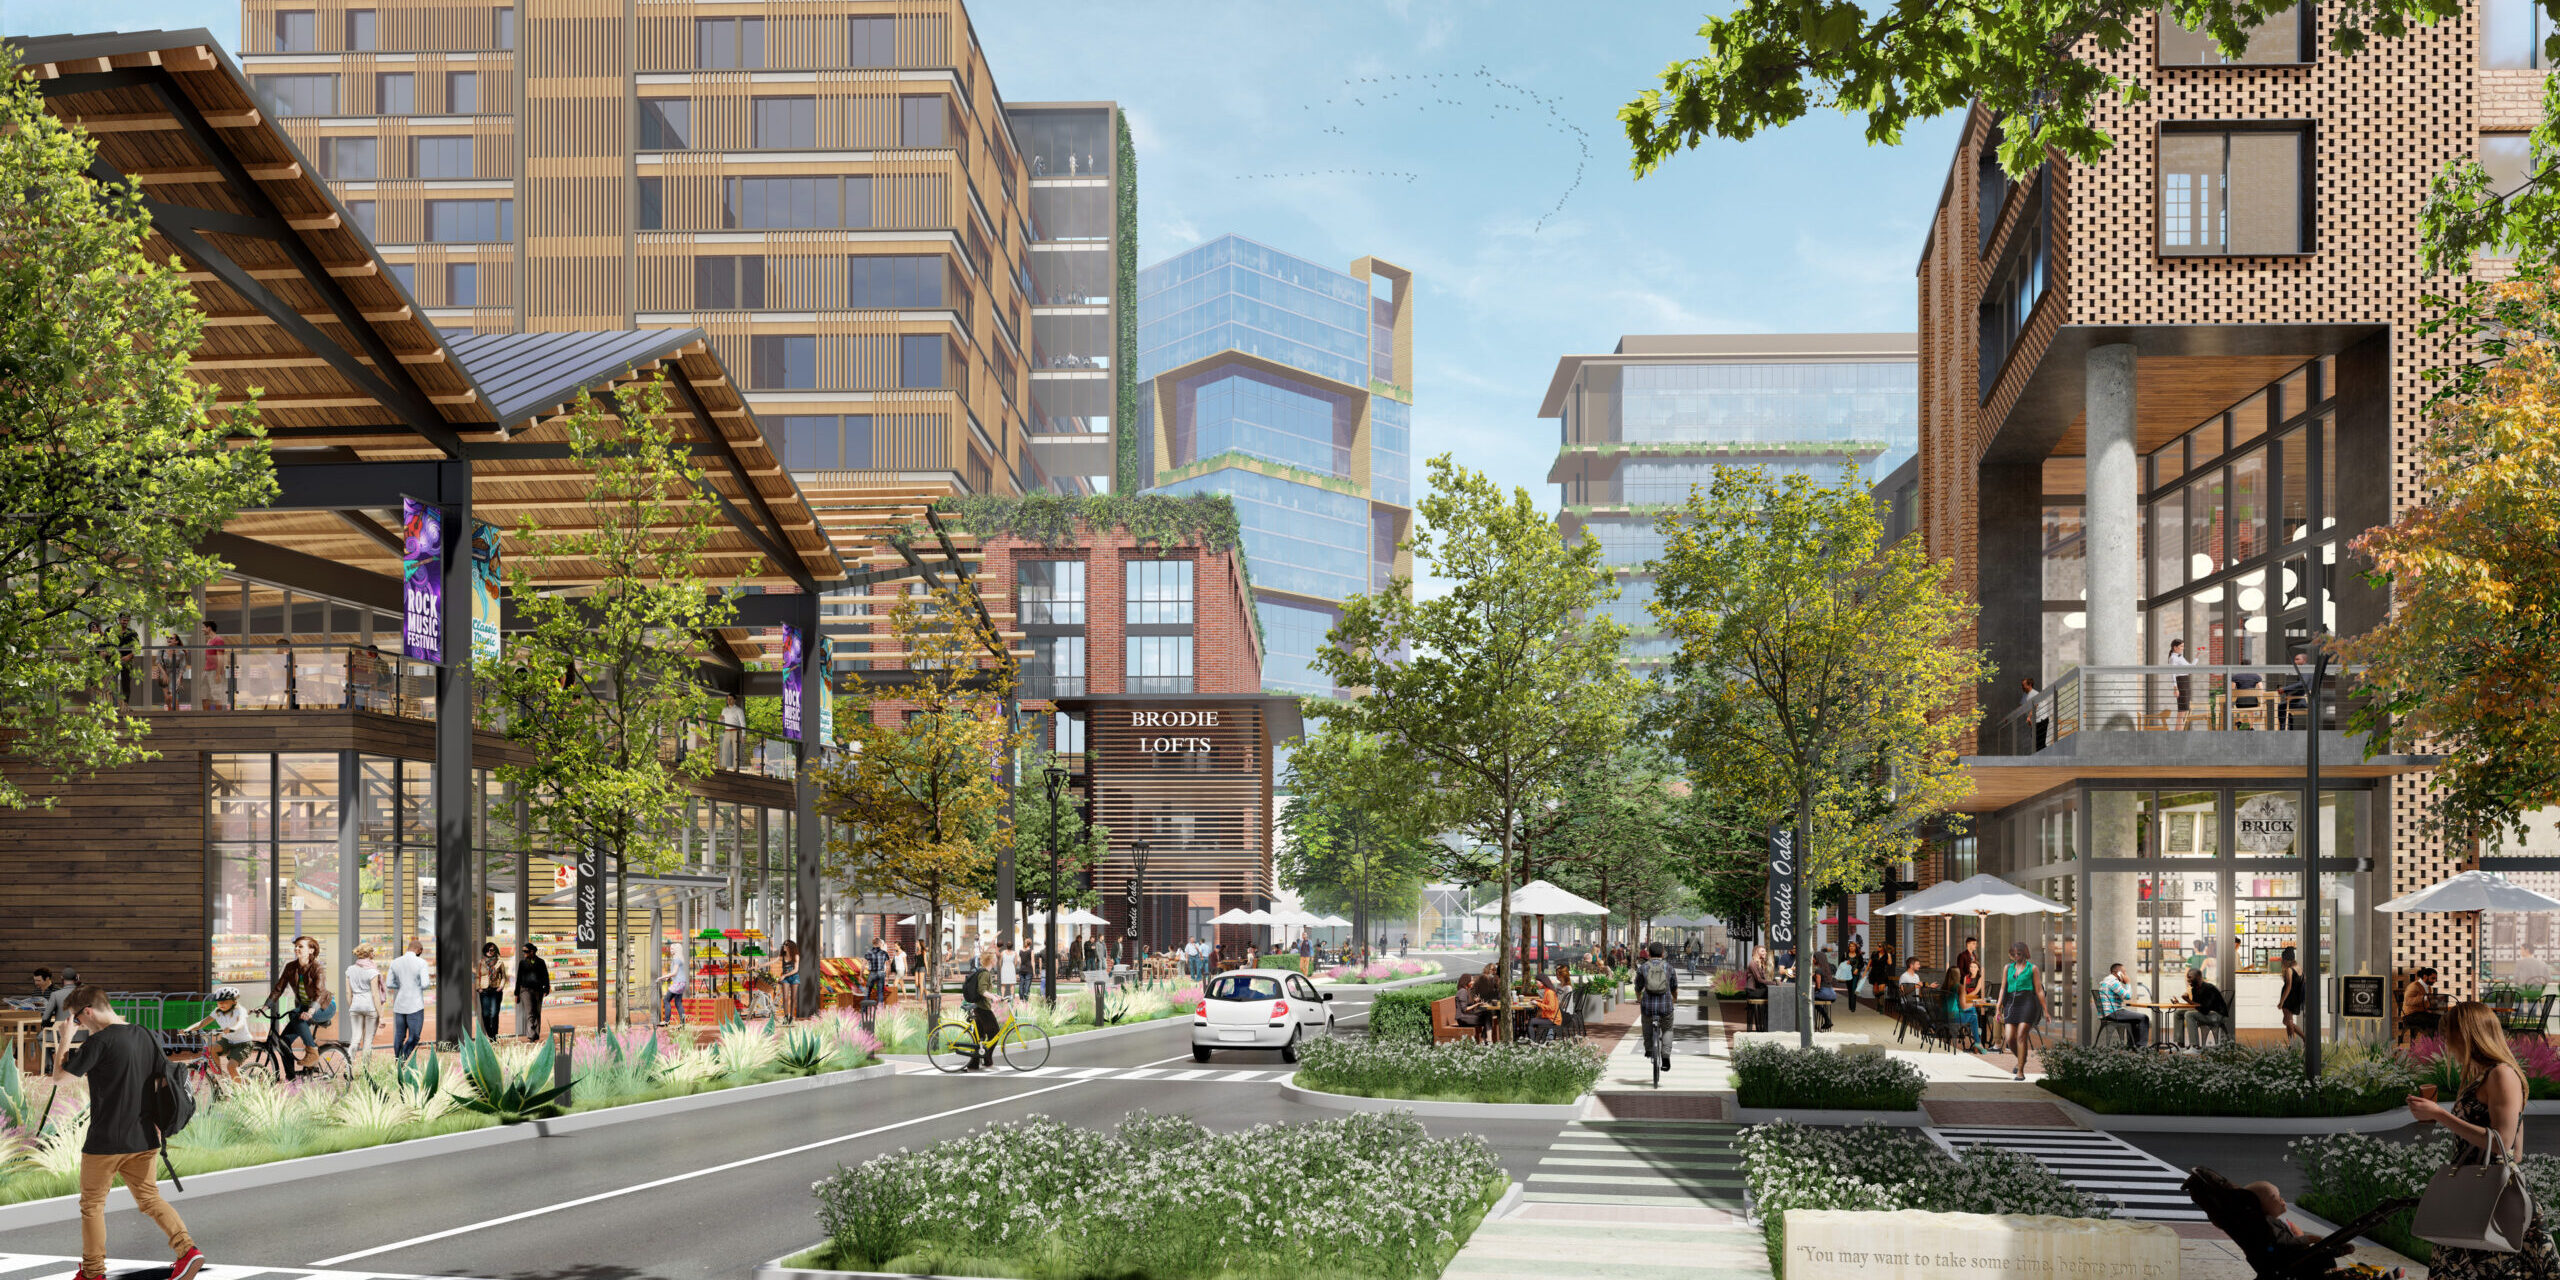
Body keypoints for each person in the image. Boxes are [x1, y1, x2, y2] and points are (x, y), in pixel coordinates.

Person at [55, 984, 206, 1280]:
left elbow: (60, 1078)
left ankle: (93, 1273)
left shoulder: (98, 1043)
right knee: (150, 1198)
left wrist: (66, 1039)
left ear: (87, 1012)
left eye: (78, 1019)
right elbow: (162, 1082)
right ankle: (187, 1250)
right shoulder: (145, 1034)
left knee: (92, 1206)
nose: (79, 1025)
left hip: (105, 1142)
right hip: (145, 1136)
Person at [2405, 1001, 2560, 1280]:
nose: (2446, 1042)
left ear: (2467, 1034)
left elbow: (2504, 1141)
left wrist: (2440, 1115)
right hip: (2475, 1194)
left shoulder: (2501, 1074)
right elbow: (2517, 1152)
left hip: (2491, 1198)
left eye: (2449, 1034)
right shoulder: (2484, 1075)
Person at [259, 935, 332, 1079]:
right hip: (303, 1008)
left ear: (311, 950)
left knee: (294, 1015)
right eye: (296, 946)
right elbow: (278, 989)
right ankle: (291, 1078)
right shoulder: (290, 967)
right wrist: (265, 1006)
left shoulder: (318, 968)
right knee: (283, 1041)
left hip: (323, 1007)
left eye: (301, 946)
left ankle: (312, 1052)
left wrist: (311, 1011)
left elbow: (320, 993)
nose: (296, 948)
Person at [179, 988, 254, 1084]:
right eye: (219, 1002)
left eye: (225, 1001)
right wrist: (187, 1030)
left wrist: (232, 1028)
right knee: (211, 1048)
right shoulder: (217, 1011)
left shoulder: (239, 1010)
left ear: (234, 1002)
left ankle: (241, 1092)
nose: (221, 1004)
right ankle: (219, 1076)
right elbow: (202, 1023)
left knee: (231, 1067)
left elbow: (240, 1022)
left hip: (243, 1043)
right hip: (227, 1040)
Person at [1997, 941, 2045, 1080]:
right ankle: (2021, 1059)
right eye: (2014, 954)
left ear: (2025, 953)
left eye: (2019, 953)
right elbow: (2002, 988)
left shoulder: (2033, 968)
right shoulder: (2008, 968)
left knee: (2021, 1035)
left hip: (2027, 1003)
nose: (2017, 956)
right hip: (2011, 1003)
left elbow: (2039, 990)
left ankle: (2021, 1071)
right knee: (2010, 1038)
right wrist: (1998, 1007)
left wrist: (2046, 1010)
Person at [384, 938, 430, 1062]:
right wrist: (416, 985)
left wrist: (401, 986)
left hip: (399, 1004)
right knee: (414, 1037)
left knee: (399, 1035)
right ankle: (402, 1060)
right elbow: (425, 984)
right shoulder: (421, 963)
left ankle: (397, 1060)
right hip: (415, 1005)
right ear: (419, 950)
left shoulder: (395, 962)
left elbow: (389, 983)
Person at [1636, 942, 1679, 1071]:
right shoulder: (1669, 967)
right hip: (1665, 1006)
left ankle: (1649, 1050)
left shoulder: (1643, 968)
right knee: (1667, 1029)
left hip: (1648, 1006)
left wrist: (1639, 998)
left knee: (1646, 1026)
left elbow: (1638, 987)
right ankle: (1665, 1057)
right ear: (1662, 953)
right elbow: (1674, 987)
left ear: (1649, 953)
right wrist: (1674, 999)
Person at [343, 944, 386, 1059]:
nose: (374, 954)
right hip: (370, 1006)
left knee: (355, 1039)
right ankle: (366, 1072)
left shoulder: (350, 970)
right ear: (369, 954)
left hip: (355, 1005)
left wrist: (352, 1007)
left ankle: (348, 1066)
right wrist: (381, 1015)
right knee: (368, 1041)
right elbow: (375, 994)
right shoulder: (372, 971)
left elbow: (348, 993)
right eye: (373, 952)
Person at [960, 954, 1000, 1071]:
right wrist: (992, 998)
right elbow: (982, 990)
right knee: (995, 1033)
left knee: (980, 1037)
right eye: (996, 959)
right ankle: (987, 1060)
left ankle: (974, 1063)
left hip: (979, 1007)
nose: (997, 960)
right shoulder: (985, 973)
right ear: (992, 960)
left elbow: (985, 991)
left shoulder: (984, 972)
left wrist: (995, 995)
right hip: (983, 1009)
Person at [2097, 962, 2150, 1049]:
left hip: (2108, 1013)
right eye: (2124, 972)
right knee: (2144, 1017)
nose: (2125, 975)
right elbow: (2127, 996)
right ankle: (2142, 1047)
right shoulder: (2113, 982)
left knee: (2134, 1019)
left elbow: (2121, 997)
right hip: (2113, 1012)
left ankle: (2132, 1045)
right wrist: (2128, 983)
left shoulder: (2106, 981)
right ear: (2117, 973)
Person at [1940, 964, 1983, 1049]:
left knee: (1972, 1010)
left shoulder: (1944, 987)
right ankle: (1977, 1040)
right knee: (1973, 1015)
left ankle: (1976, 1032)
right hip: (1954, 1018)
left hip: (1943, 1017)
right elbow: (1963, 1006)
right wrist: (1976, 1003)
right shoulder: (1959, 987)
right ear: (1957, 975)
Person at [515, 941, 551, 1034]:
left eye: (526, 951)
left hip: (538, 990)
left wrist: (546, 988)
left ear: (532, 952)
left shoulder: (541, 962)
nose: (524, 953)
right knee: (530, 1012)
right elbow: (519, 978)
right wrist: (516, 993)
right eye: (523, 951)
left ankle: (536, 1034)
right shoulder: (522, 963)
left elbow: (545, 976)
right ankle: (531, 1034)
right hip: (525, 990)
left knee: (537, 1012)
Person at [474, 941, 507, 1039]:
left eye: (491, 950)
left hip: (496, 990)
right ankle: (491, 1035)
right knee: (486, 1014)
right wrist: (478, 988)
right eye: (487, 950)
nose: (489, 951)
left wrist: (501, 986)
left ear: (495, 951)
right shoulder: (481, 962)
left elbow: (504, 977)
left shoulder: (500, 962)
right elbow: (477, 976)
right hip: (484, 991)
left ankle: (494, 1036)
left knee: (494, 1014)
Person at [2403, 967, 2442, 1040]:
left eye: (2435, 979)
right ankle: (2432, 1042)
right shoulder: (2414, 986)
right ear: (2425, 976)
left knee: (2440, 1018)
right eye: (2433, 978)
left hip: (2421, 1013)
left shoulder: (2428, 987)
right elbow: (2408, 1001)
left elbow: (2426, 1002)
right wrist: (2424, 998)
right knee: (2436, 1020)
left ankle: (2434, 1042)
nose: (2435, 981)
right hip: (2410, 1015)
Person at [2278, 945, 2306, 1044]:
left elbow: (2288, 987)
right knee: (2287, 1021)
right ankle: (2303, 1039)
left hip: (2288, 998)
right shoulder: (2299, 968)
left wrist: (2281, 1001)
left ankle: (2293, 1044)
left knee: (2288, 1021)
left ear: (2286, 959)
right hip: (2296, 998)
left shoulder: (2289, 970)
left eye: (2283, 959)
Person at [663, 943, 690, 1026]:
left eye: (672, 949)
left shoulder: (676, 959)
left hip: (678, 983)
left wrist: (663, 977)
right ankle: (683, 1023)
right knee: (678, 1003)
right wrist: (669, 977)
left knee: (666, 1000)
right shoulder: (679, 958)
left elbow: (674, 973)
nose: (670, 950)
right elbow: (678, 973)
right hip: (682, 983)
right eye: (670, 949)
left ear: (676, 950)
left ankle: (667, 1021)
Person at [1953, 935, 1984, 1006]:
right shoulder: (1962, 955)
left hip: (1973, 982)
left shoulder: (1974, 955)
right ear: (1968, 944)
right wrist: (1968, 978)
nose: (1975, 945)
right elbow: (1960, 970)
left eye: (1976, 944)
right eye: (1973, 943)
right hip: (1965, 982)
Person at [2167, 637, 2194, 713]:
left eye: (2183, 646)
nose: (2183, 648)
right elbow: (2173, 673)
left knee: (2184, 710)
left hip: (2185, 681)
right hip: (2181, 682)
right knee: (2182, 710)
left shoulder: (2180, 657)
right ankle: (2179, 725)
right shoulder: (2173, 658)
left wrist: (2197, 656)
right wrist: (2175, 688)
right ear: (2175, 647)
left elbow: (2190, 667)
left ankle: (2181, 725)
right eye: (2181, 646)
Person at [776, 940, 802, 1020]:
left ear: (790, 946)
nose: (784, 946)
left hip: (794, 977)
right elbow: (771, 962)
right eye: (783, 944)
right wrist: (758, 966)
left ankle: (791, 1017)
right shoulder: (782, 957)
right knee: (785, 997)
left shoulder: (796, 956)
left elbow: (796, 970)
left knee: (793, 998)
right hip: (785, 978)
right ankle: (786, 1017)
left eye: (786, 945)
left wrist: (784, 975)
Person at [2022, 676, 2049, 749]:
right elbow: (2021, 706)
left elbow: (2035, 706)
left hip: (2042, 719)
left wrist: (2029, 717)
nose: (2022, 687)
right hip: (2034, 720)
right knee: (2035, 740)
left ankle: (2045, 757)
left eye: (2023, 685)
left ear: (2029, 685)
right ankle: (2042, 756)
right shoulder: (2025, 694)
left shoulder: (2034, 693)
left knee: (2040, 742)